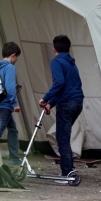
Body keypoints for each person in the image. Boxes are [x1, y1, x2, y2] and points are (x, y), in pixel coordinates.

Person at [39, 35, 84, 182]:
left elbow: (59, 83)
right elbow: (66, 87)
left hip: (67, 104)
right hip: (77, 102)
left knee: (62, 138)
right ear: (69, 49)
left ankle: (67, 173)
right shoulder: (72, 63)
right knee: (64, 136)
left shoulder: (57, 61)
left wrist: (45, 98)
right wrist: (51, 103)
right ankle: (68, 168)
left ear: (54, 49)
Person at [0, 42, 22, 166]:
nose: (16, 61)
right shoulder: (9, 67)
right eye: (17, 58)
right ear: (13, 55)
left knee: (13, 130)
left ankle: (14, 158)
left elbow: (4, 85)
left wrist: (14, 89)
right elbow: (9, 86)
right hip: (6, 104)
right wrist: (14, 103)